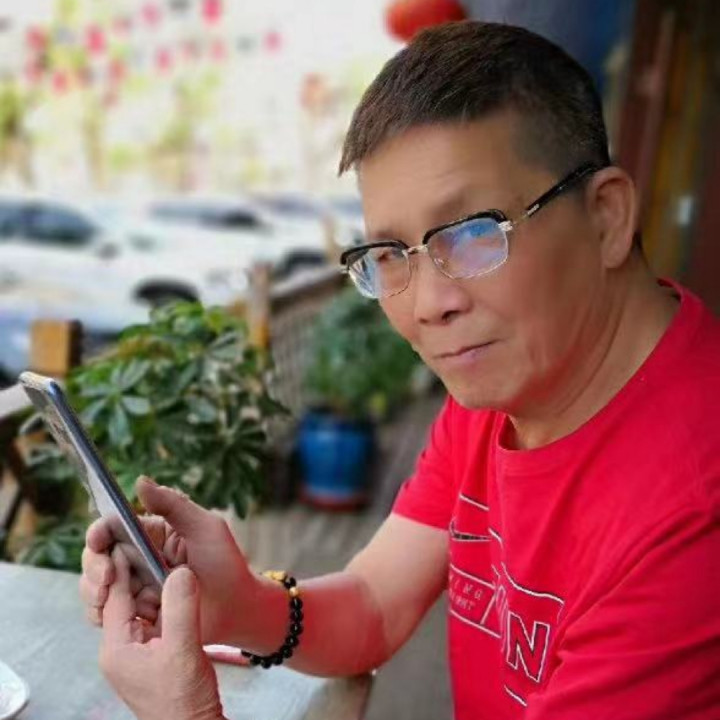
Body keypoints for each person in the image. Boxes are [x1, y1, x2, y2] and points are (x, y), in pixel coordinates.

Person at [80, 21, 720, 720]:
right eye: (390, 255)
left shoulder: (694, 512)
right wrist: (235, 602)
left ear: (606, 217)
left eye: (474, 233)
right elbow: (375, 604)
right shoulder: (511, 385)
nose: (428, 304)